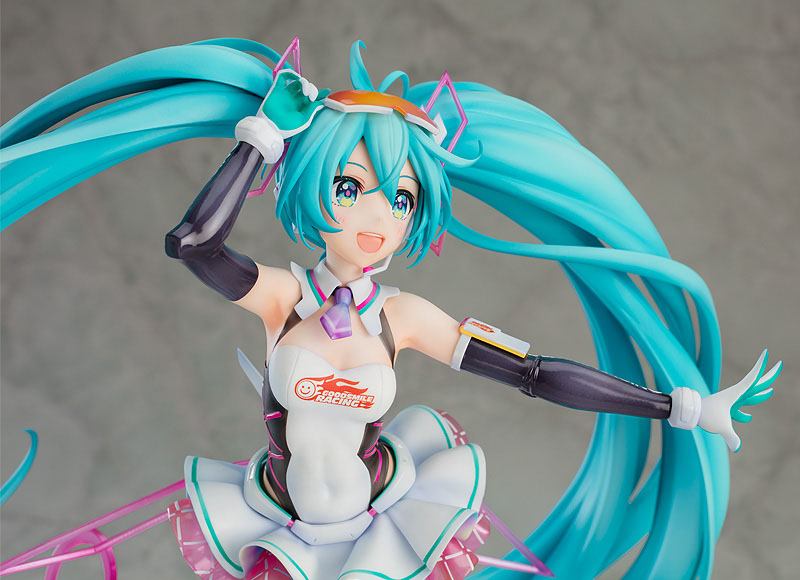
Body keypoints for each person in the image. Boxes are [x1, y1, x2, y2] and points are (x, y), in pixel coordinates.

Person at [0, 38, 781, 579]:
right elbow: (195, 244)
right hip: (283, 530)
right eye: (351, 187)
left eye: (400, 197)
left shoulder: (403, 318)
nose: (378, 218)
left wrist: (680, 406)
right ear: (312, 188)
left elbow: (537, 374)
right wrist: (262, 138)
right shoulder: (285, 298)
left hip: (382, 536)